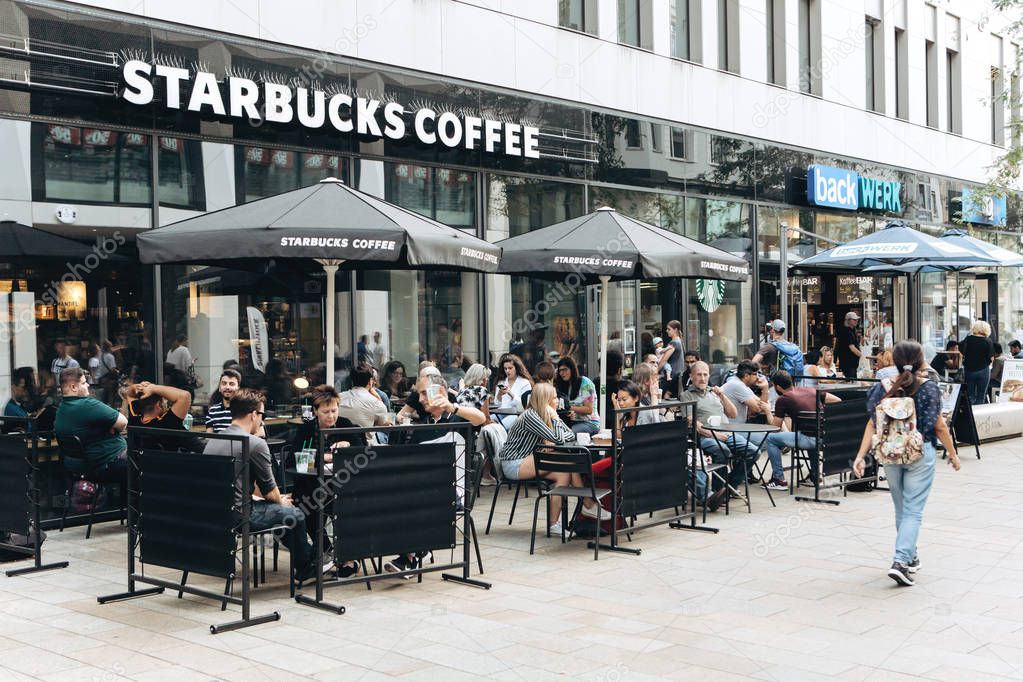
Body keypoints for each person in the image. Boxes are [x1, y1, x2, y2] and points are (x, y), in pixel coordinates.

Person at [853, 340, 961, 587]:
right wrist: (953, 454)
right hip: (920, 451)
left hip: (890, 452)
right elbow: (939, 426)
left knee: (902, 508)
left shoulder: (882, 388)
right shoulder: (929, 388)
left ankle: (910, 556)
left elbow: (872, 423)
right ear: (921, 360)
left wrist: (860, 456)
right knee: (913, 510)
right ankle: (900, 561)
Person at [203, 388, 331, 582]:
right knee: (295, 513)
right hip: (241, 515)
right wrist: (282, 501)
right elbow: (270, 492)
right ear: (253, 414)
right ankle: (307, 568)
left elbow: (240, 484)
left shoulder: (215, 440)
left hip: (215, 514)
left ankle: (310, 560)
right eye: (261, 415)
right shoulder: (254, 443)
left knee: (283, 514)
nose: (262, 421)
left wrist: (279, 501)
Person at [385, 373, 487, 576]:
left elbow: (481, 418)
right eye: (419, 394)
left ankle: (410, 558)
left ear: (440, 392)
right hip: (424, 486)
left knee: (409, 497)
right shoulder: (422, 424)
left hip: (454, 491)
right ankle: (417, 551)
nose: (420, 399)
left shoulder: (459, 417)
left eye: (424, 393)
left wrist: (452, 407)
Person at [498, 383, 605, 535]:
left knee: (565, 473)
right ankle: (588, 503)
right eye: (554, 398)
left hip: (527, 459)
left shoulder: (543, 415)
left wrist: (555, 420)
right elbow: (559, 439)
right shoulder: (531, 416)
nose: (557, 401)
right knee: (569, 461)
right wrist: (556, 419)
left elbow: (569, 435)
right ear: (545, 400)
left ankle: (554, 524)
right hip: (514, 463)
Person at [290, 385, 360, 578]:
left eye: (334, 411)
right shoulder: (306, 430)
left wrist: (349, 445)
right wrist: (324, 456)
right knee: (307, 506)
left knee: (346, 510)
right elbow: (294, 459)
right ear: (315, 411)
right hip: (313, 486)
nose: (331, 416)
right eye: (326, 412)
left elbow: (362, 449)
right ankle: (328, 551)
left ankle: (349, 559)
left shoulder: (345, 424)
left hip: (344, 485)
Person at [680, 362, 757, 507]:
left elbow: (733, 414)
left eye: (705, 374)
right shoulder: (687, 395)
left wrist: (722, 395)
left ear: (709, 376)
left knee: (753, 451)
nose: (702, 378)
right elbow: (693, 423)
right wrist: (715, 435)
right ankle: (717, 491)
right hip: (704, 437)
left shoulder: (714, 393)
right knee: (723, 450)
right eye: (698, 374)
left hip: (727, 434)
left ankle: (727, 488)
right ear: (691, 376)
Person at [762, 371, 841, 490]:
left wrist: (768, 411)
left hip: (809, 439)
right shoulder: (810, 390)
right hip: (826, 437)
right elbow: (837, 400)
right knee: (808, 433)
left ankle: (779, 480)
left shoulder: (783, 399)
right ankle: (815, 477)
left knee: (770, 439)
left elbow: (775, 428)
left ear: (777, 387)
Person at [54, 367, 128, 481]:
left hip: (76, 466)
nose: (88, 385)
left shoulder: (61, 409)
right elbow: (123, 423)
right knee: (143, 459)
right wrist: (110, 426)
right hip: (105, 464)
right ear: (73, 387)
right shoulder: (87, 404)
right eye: (84, 383)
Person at [125, 380, 193, 451]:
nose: (166, 404)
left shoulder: (135, 417)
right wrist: (153, 388)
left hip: (141, 461)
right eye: (164, 401)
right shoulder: (168, 422)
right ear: (158, 404)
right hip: (167, 461)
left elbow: (130, 394)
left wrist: (139, 387)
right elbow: (185, 395)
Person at [553, 357, 600, 435]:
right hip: (571, 422)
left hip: (590, 422)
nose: (561, 373)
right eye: (560, 370)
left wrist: (569, 408)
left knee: (566, 433)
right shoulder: (563, 385)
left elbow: (589, 410)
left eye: (565, 370)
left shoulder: (585, 382)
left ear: (572, 369)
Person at [338, 364, 392, 428]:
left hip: (340, 437)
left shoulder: (338, 397)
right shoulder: (376, 402)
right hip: (365, 437)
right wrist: (378, 398)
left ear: (352, 381)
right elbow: (385, 423)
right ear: (370, 381)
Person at [721, 361, 771, 426]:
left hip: (738, 427)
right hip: (732, 429)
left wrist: (765, 390)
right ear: (746, 376)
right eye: (755, 374)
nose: (758, 377)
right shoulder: (737, 385)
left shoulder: (740, 383)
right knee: (766, 435)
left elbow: (761, 404)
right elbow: (759, 409)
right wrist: (765, 388)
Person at [959, 321, 996, 405]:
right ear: (986, 329)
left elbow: (961, 349)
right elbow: (991, 357)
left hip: (969, 370)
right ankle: (978, 416)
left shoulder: (968, 339)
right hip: (984, 370)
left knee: (970, 395)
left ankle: (970, 415)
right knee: (981, 396)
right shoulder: (988, 341)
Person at [493, 353, 533, 430]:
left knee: (500, 427)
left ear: (516, 368)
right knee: (487, 423)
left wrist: (511, 394)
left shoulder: (524, 382)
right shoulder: (501, 382)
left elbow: (525, 404)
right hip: (501, 413)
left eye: (510, 368)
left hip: (516, 414)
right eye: (505, 368)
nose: (507, 371)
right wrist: (499, 395)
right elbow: (497, 404)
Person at [205, 368, 242, 432]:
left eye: (231, 384)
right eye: (224, 383)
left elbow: (260, 433)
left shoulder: (245, 409)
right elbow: (209, 437)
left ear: (238, 388)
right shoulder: (212, 411)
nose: (227, 387)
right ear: (219, 388)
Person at [655, 320, 685, 395]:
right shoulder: (679, 341)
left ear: (675, 330)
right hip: (677, 374)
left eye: (669, 329)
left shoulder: (674, 342)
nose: (667, 331)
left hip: (672, 375)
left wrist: (655, 372)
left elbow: (664, 359)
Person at [836, 311, 863, 378]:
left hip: (852, 363)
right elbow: (852, 348)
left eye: (857, 320)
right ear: (848, 320)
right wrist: (862, 356)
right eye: (854, 319)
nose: (856, 321)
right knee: (851, 382)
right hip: (848, 363)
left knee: (853, 381)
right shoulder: (847, 331)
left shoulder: (852, 330)